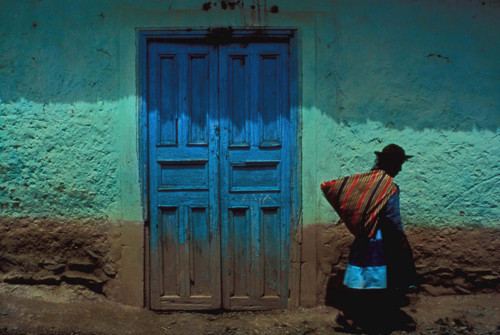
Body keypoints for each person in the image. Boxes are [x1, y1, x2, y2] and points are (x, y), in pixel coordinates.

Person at [332, 144, 418, 333]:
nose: (401, 169)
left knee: (363, 279)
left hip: (364, 237)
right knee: (381, 279)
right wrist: (402, 239)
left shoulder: (369, 183)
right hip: (383, 240)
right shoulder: (390, 187)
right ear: (392, 164)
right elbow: (393, 217)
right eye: (399, 164)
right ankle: (373, 321)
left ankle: (350, 316)